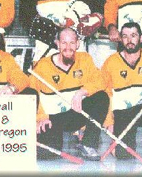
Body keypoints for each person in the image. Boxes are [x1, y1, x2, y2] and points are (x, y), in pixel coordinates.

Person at [30, 27, 109, 161]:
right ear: (57, 43)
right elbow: (32, 94)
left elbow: (101, 81)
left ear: (78, 44)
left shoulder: (85, 59)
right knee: (48, 154)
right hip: (52, 119)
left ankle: (88, 144)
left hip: (74, 114)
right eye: (64, 43)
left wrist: (81, 93)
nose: (68, 47)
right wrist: (40, 117)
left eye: (72, 43)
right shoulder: (43, 65)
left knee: (101, 97)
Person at [101, 22, 142, 161]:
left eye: (133, 35)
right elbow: (105, 94)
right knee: (124, 156)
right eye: (124, 36)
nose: (129, 40)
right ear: (120, 39)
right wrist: (109, 123)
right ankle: (120, 143)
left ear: (141, 38)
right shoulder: (110, 62)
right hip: (123, 114)